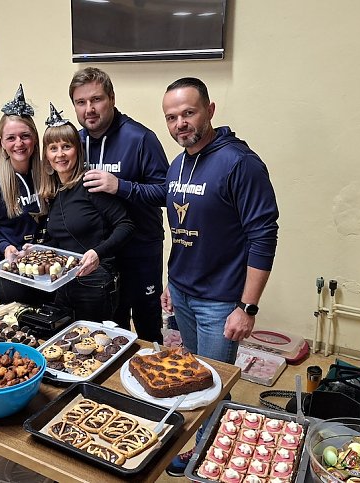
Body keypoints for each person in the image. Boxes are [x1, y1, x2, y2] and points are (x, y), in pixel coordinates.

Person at [160, 77, 279, 475]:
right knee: (196, 375)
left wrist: (247, 307)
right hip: (184, 292)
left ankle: (209, 456)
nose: (180, 123)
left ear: (210, 110)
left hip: (219, 302)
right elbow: (183, 231)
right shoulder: (178, 163)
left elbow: (263, 236)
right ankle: (205, 444)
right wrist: (171, 281)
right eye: (172, 117)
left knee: (214, 384)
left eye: (188, 113)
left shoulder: (240, 164)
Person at [69, 67, 169, 342]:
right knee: (110, 326)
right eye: (81, 102)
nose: (89, 108)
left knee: (147, 325)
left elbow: (166, 193)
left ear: (112, 98)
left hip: (140, 249)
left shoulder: (140, 139)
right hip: (100, 254)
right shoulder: (75, 143)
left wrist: (120, 186)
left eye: (96, 99)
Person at [36, 103, 134, 322]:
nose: (60, 154)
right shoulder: (52, 192)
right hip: (62, 283)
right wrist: (35, 252)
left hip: (96, 283)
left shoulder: (90, 184)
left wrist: (98, 253)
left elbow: (126, 225)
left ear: (77, 150)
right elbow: (59, 239)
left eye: (66, 147)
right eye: (53, 148)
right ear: (46, 155)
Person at [0, 85, 50, 305]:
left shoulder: (48, 175)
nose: (19, 144)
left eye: (25, 136)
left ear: (35, 139)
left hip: (48, 272)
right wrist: (4, 247)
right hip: (11, 276)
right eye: (11, 138)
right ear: (2, 144)